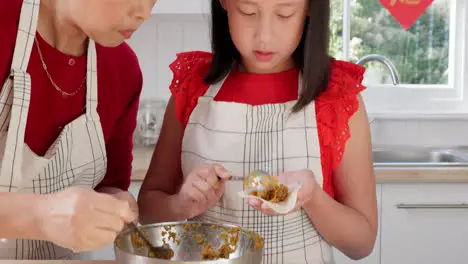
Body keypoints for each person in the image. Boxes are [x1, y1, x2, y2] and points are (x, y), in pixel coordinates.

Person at [138, 0, 378, 263]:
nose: (265, 36)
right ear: (225, 4)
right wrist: (181, 204)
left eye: (285, 14)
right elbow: (147, 211)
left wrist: (313, 198)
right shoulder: (192, 87)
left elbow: (362, 244)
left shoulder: (337, 97)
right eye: (248, 12)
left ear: (310, 8)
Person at [0, 0, 156, 260]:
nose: (144, 12)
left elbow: (109, 186)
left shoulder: (122, 69)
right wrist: (40, 216)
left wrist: (117, 202)